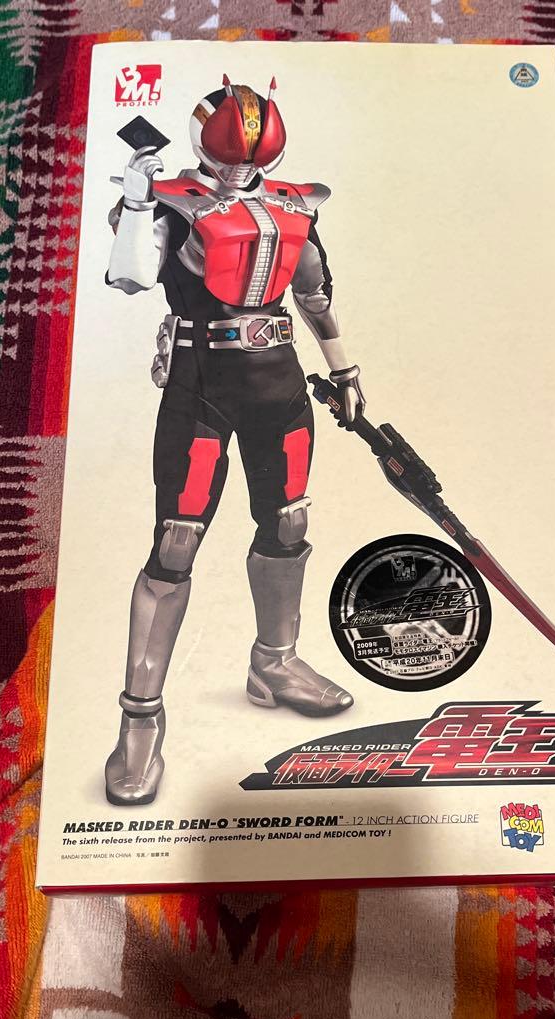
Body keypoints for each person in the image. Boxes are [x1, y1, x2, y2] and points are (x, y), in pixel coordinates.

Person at [102, 76, 364, 806]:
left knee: (289, 520)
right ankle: (140, 719)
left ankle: (274, 664)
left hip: (278, 381)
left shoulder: (294, 204)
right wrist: (136, 200)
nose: (233, 172)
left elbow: (314, 293)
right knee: (177, 539)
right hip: (201, 384)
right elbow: (128, 278)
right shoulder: (171, 201)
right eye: (223, 159)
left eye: (248, 160)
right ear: (201, 146)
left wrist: (345, 368)